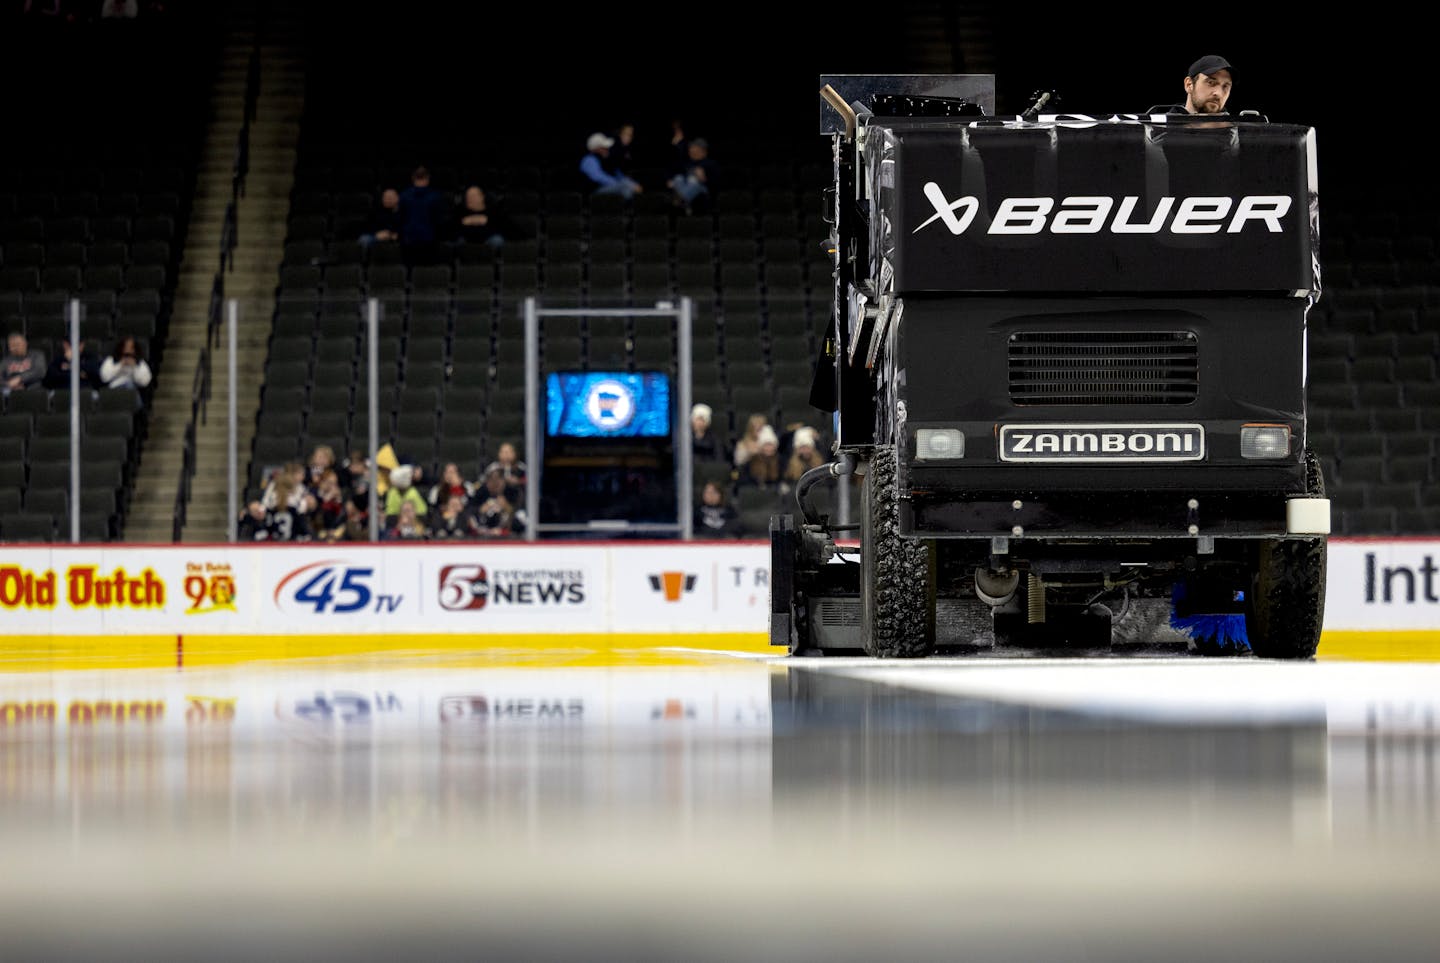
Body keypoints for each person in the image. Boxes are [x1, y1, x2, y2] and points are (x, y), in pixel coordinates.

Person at [1149, 55, 1234, 115]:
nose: (1219, 93)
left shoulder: (1236, 133)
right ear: (1189, 85)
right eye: (1211, 82)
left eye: (1225, 86)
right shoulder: (1158, 131)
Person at [397, 166, 448, 265]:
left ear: (413, 178)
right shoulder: (435, 196)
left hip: (410, 239)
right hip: (428, 239)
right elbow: (439, 220)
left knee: (410, 272)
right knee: (426, 272)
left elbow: (400, 218)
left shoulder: (404, 195)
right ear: (427, 179)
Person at [579, 132, 643, 200]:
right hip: (593, 192)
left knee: (628, 184)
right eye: (604, 147)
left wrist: (632, 184)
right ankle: (628, 208)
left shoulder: (606, 160)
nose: (607, 149)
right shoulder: (589, 159)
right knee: (624, 188)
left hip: (608, 188)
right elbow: (598, 177)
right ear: (596, 148)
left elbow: (618, 175)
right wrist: (622, 184)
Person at [666, 137, 717, 214]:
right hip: (685, 187)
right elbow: (673, 172)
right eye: (691, 149)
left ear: (703, 151)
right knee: (678, 178)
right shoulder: (687, 163)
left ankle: (678, 200)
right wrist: (670, 180)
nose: (691, 151)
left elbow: (715, 184)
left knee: (694, 181)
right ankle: (684, 202)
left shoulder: (711, 164)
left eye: (695, 149)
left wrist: (704, 179)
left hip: (701, 190)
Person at [473, 467, 519, 537]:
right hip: (483, 536)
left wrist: (507, 507)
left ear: (504, 481)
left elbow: (520, 515)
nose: (494, 484)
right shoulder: (481, 493)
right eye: (491, 480)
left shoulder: (512, 493)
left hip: (509, 537)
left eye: (498, 480)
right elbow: (470, 511)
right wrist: (480, 510)